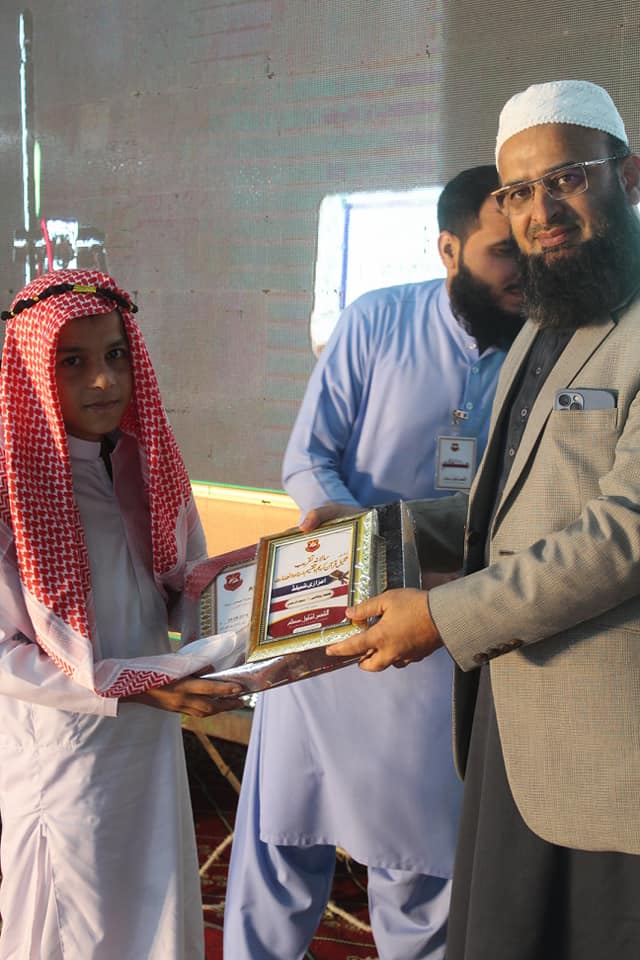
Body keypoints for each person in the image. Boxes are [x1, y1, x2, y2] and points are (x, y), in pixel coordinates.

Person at [326, 80, 640, 960]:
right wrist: (372, 537)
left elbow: (623, 532)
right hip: (514, 725)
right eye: (518, 191)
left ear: (630, 177)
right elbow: (501, 501)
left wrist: (442, 616)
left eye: (569, 179)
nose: (543, 211)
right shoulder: (552, 318)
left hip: (612, 753)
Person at [223, 166, 524, 959]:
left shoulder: (543, 347)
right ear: (448, 249)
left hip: (433, 646)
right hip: (326, 626)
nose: (521, 270)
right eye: (501, 253)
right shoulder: (377, 321)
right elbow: (307, 459)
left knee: (419, 865)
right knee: (281, 843)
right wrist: (358, 540)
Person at [0, 269, 245, 959]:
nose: (104, 381)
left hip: (150, 744)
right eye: (73, 363)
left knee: (154, 921)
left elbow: (179, 585)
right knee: (71, 930)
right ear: (33, 372)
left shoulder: (144, 462)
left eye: (114, 356)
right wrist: (127, 685)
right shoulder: (9, 487)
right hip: (66, 755)